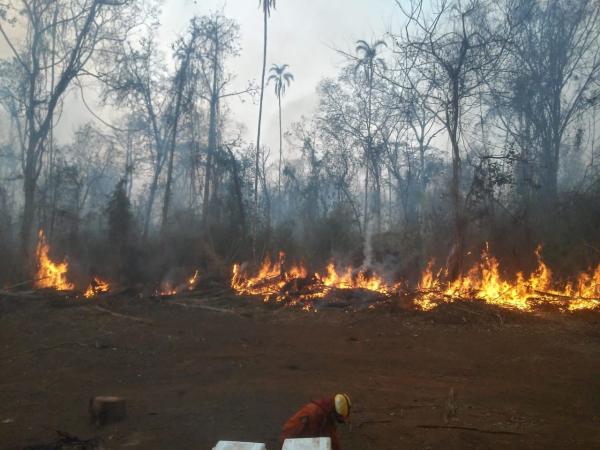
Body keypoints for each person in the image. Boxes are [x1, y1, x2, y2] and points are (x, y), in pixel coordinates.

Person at [279, 393, 351, 450]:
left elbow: (331, 434)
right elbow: (311, 439)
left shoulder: (327, 411)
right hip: (290, 441)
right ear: (334, 412)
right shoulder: (313, 415)